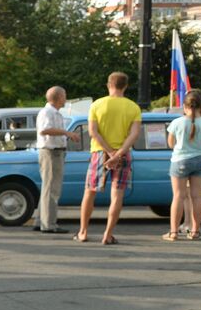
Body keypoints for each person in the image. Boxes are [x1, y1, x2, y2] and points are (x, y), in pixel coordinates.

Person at [75, 71, 141, 245]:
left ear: (108, 85)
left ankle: (83, 231)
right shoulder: (133, 107)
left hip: (99, 152)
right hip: (123, 153)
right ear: (125, 86)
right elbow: (134, 134)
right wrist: (118, 153)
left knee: (90, 192)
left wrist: (108, 152)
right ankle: (108, 234)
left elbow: (93, 132)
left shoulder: (97, 105)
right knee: (117, 195)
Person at [163, 89, 201, 241]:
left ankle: (173, 232)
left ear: (184, 106)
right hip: (200, 161)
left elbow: (171, 144)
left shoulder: (176, 122)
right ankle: (195, 231)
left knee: (178, 196)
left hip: (179, 161)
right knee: (197, 197)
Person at [34, 86, 70, 233]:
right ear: (59, 97)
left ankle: (41, 220)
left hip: (54, 152)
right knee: (52, 189)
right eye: (64, 95)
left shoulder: (53, 112)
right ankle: (49, 224)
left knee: (48, 187)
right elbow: (44, 130)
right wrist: (66, 133)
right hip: (51, 152)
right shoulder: (48, 112)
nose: (65, 98)